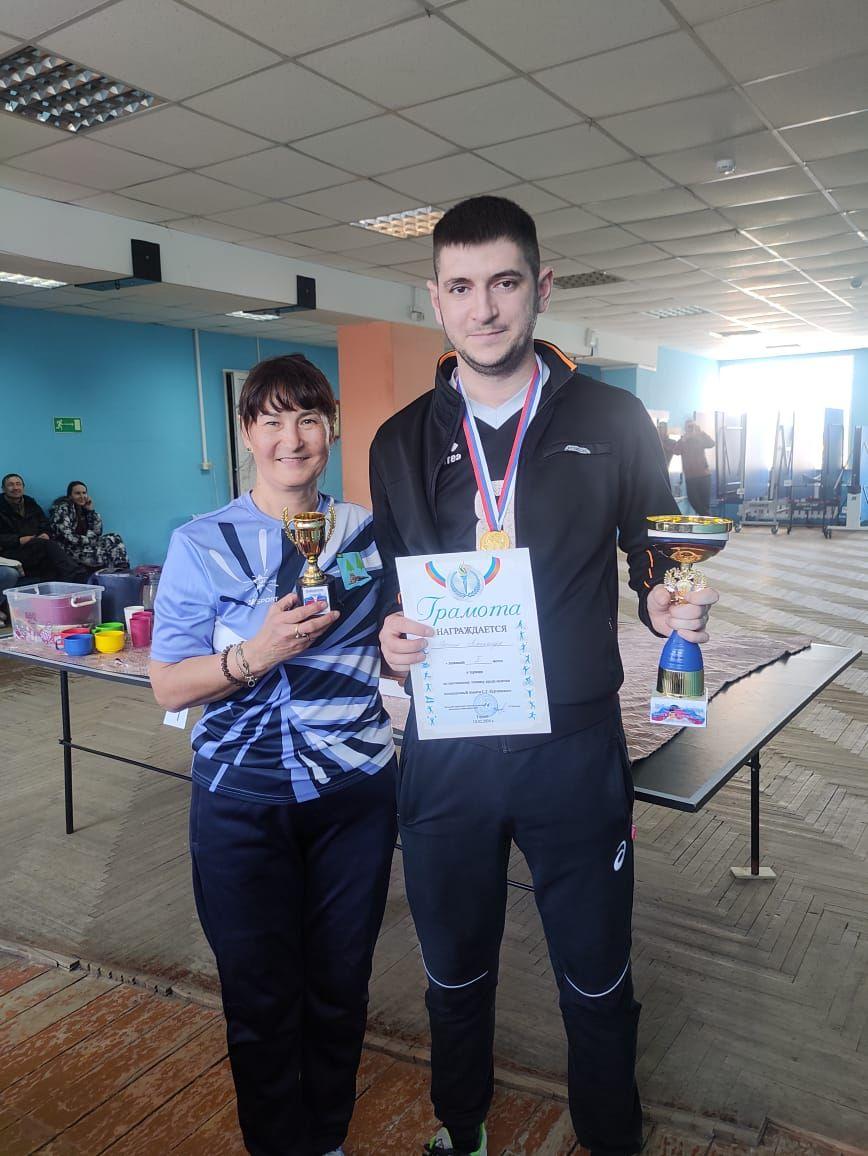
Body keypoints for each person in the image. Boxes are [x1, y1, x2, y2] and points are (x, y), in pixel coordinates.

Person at [369, 196, 719, 1156]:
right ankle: (463, 1128)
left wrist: (666, 604)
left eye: (505, 283)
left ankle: (611, 1138)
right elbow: (395, 593)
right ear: (433, 298)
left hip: (572, 748)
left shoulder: (612, 418)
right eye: (461, 287)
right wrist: (391, 640)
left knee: (597, 971)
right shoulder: (398, 440)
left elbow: (655, 560)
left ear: (542, 286)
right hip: (447, 749)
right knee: (454, 969)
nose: (484, 309)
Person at [149, 354, 396, 1156]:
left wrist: (403, 647)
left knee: (339, 987)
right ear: (248, 433)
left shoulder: (366, 531)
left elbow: (391, 651)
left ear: (330, 429)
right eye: (273, 420)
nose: (293, 437)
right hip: (242, 802)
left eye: (309, 418)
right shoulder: (202, 543)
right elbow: (167, 686)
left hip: (355, 795)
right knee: (260, 998)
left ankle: (326, 1137)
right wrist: (253, 655)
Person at [0, 473, 90, 584]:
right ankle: (78, 576)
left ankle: (69, 589)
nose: (15, 488)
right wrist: (18, 540)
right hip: (10, 552)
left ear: (23, 487)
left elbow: (45, 525)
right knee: (48, 546)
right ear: (3, 489)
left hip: (34, 546)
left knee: (50, 558)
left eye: (18, 484)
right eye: (11, 485)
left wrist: (46, 533)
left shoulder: (31, 504)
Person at [49, 480, 130, 570]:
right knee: (108, 554)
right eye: (77, 493)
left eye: (84, 493)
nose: (82, 496)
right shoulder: (63, 508)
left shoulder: (83, 509)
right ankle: (118, 573)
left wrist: (91, 511)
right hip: (70, 550)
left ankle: (123, 570)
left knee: (114, 537)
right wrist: (90, 541)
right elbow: (67, 536)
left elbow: (97, 532)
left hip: (84, 547)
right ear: (70, 496)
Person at [672, 420, 715, 516]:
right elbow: (675, 451)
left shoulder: (700, 438)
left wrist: (701, 433)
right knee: (694, 501)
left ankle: (706, 524)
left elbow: (711, 443)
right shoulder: (683, 441)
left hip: (704, 476)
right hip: (690, 478)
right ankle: (708, 519)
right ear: (685, 428)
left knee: (704, 504)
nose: (690, 429)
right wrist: (683, 439)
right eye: (688, 427)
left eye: (692, 426)